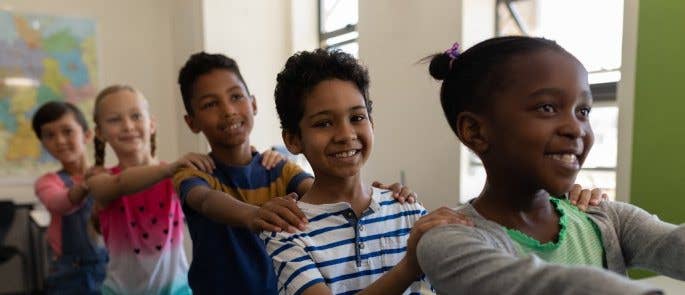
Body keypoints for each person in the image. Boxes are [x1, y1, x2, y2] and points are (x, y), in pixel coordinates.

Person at [416, 36, 685, 295]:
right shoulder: (447, 241)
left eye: (583, 111)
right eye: (547, 107)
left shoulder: (606, 218)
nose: (575, 129)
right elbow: (534, 286)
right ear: (475, 131)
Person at [172, 52, 416, 294]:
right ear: (191, 121)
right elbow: (205, 200)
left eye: (236, 96)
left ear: (253, 103)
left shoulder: (276, 166)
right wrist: (254, 215)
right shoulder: (194, 170)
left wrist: (379, 199)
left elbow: (320, 188)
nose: (228, 110)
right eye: (210, 104)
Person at [260, 48, 475, 295]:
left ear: (371, 123)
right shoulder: (286, 229)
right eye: (324, 123)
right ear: (293, 139)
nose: (345, 135)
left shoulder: (407, 210)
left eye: (357, 117)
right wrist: (409, 267)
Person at [32, 101, 107, 294]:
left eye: (67, 131)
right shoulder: (47, 182)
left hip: (111, 267)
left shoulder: (110, 176)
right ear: (43, 144)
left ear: (87, 135)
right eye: (49, 135)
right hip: (69, 274)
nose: (59, 140)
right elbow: (60, 203)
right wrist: (86, 185)